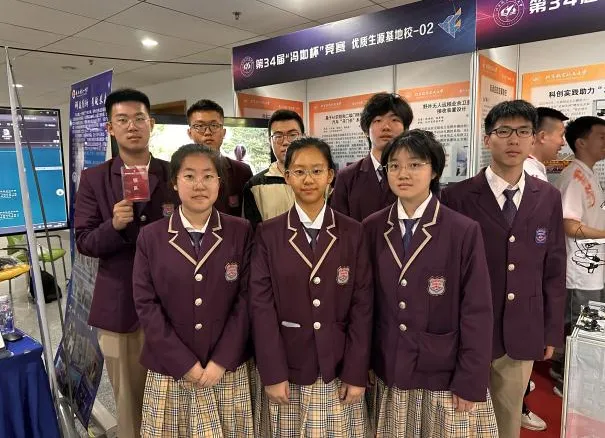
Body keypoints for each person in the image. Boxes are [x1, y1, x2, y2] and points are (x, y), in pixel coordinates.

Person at [440, 100, 566, 438]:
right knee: (459, 418)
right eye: (504, 131)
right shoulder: (456, 197)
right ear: (487, 139)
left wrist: (551, 330)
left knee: (508, 420)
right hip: (467, 330)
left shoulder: (548, 197)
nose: (514, 140)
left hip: (523, 328)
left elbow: (554, 267)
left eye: (523, 132)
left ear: (533, 139)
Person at [363, 129, 497, 437]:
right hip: (389, 365)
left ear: (434, 170)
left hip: (442, 370)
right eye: (394, 166)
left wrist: (470, 379)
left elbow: (477, 311)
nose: (403, 173)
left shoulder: (462, 230)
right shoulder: (372, 227)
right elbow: (365, 303)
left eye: (415, 164)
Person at [249, 137, 373, 437]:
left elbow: (363, 306)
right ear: (287, 176)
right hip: (289, 367)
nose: (308, 179)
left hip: (338, 365)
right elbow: (261, 308)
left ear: (330, 175)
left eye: (317, 171)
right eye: (299, 171)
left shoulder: (353, 231)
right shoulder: (268, 233)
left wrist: (356, 371)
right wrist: (272, 372)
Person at [74, 88, 178, 438]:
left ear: (152, 124)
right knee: (130, 404)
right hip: (121, 309)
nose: (132, 126)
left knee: (175, 398)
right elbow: (84, 241)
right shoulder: (94, 179)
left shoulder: (174, 174)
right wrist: (114, 225)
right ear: (110, 128)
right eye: (122, 120)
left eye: (139, 118)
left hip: (173, 306)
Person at [133, 144, 254, 437]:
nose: (199, 185)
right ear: (175, 182)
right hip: (170, 368)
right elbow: (146, 304)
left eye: (208, 176)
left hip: (225, 369)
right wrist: (184, 363)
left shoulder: (240, 231)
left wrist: (220, 361)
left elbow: (247, 299)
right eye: (189, 176)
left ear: (219, 183)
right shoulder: (151, 236)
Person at [520, 106, 567, 431]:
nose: (562, 142)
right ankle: (520, 404)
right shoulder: (529, 174)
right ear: (541, 136)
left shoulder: (538, 175)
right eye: (559, 135)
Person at [553, 116, 605, 397]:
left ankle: (564, 371)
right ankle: (569, 385)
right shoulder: (574, 177)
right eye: (602, 137)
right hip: (579, 270)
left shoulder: (588, 173)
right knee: (580, 327)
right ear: (581, 142)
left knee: (583, 325)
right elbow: (570, 225)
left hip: (591, 268)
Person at [331, 92, 413, 222]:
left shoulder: (415, 174)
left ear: (406, 129)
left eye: (394, 120)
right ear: (366, 130)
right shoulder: (346, 176)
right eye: (378, 120)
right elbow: (338, 225)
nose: (386, 127)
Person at [187, 99, 252, 217]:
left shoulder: (242, 172)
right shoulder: (179, 172)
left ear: (223, 132)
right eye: (200, 126)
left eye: (214, 125)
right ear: (190, 133)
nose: (207, 132)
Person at [242, 110, 303, 229]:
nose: (286, 142)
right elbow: (254, 233)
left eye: (292, 135)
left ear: (303, 137)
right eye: (278, 136)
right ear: (270, 141)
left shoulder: (323, 179)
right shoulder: (255, 186)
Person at [523, 107, 569, 181]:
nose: (563, 143)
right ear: (542, 137)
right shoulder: (534, 177)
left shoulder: (523, 169)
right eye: (561, 135)